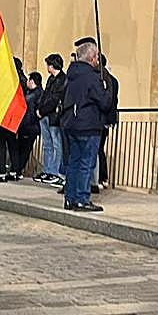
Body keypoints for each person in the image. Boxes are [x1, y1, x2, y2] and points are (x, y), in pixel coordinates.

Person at [60, 41, 113, 212]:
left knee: (74, 162)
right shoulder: (92, 77)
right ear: (91, 58)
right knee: (86, 163)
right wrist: (107, 89)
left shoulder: (71, 75)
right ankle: (82, 198)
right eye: (97, 56)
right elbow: (104, 103)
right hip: (88, 124)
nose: (98, 59)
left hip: (72, 123)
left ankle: (70, 198)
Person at [34, 54, 67, 187]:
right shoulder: (51, 79)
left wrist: (42, 111)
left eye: (48, 64)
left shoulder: (62, 80)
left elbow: (54, 99)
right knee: (47, 145)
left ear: (52, 65)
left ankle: (55, 172)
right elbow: (45, 95)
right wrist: (39, 109)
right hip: (44, 115)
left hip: (54, 117)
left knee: (56, 145)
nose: (47, 67)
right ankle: (47, 170)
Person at [97, 53, 120, 191]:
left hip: (102, 119)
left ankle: (101, 177)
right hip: (107, 119)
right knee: (100, 149)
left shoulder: (104, 80)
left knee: (98, 149)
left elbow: (110, 102)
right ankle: (103, 177)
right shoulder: (113, 80)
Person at [14, 72, 41, 179]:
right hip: (26, 126)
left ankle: (18, 170)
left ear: (32, 81)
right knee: (21, 148)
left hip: (29, 126)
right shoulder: (30, 93)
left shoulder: (33, 96)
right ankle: (17, 169)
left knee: (24, 150)